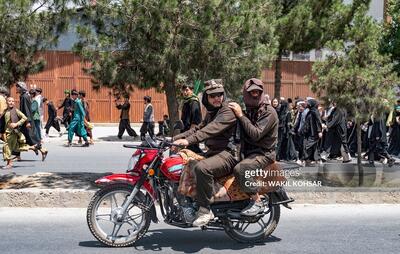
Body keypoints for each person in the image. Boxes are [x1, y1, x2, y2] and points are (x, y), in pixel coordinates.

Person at [173, 79, 237, 226]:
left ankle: (205, 210)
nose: (217, 98)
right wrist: (176, 137)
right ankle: (191, 202)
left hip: (229, 153)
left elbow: (210, 130)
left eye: (219, 94)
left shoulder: (227, 111)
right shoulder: (211, 112)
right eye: (212, 96)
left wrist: (188, 141)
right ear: (206, 98)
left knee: (203, 168)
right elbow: (198, 128)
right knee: (187, 162)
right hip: (215, 152)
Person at [229, 78, 278, 216]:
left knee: (241, 170)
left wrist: (240, 115)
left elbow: (256, 134)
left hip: (263, 154)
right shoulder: (251, 110)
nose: (254, 95)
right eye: (251, 92)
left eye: (257, 92)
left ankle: (257, 201)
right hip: (249, 152)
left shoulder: (268, 112)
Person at [2, 97, 38, 169]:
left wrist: (17, 124)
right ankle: (32, 147)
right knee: (16, 148)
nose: (11, 102)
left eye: (13, 101)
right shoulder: (5, 111)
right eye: (9, 101)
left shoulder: (15, 110)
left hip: (13, 132)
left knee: (6, 147)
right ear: (7, 102)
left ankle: (9, 164)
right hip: (7, 132)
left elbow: (24, 117)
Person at [15, 82, 47, 161]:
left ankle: (42, 150)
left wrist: (28, 122)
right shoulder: (24, 96)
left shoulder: (24, 97)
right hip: (25, 121)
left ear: (21, 88)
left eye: (18, 87)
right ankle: (18, 156)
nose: (16, 88)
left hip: (26, 122)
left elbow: (26, 110)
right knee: (22, 138)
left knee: (28, 138)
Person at [180, 84, 202, 153]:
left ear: (192, 90)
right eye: (183, 90)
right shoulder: (185, 101)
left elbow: (196, 120)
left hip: (190, 132)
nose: (185, 92)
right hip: (185, 131)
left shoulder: (194, 101)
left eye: (187, 90)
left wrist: (190, 134)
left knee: (192, 151)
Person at [301, 98, 323, 166]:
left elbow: (318, 121)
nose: (307, 104)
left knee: (307, 145)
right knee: (314, 146)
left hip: (314, 133)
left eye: (308, 103)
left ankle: (305, 159)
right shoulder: (310, 111)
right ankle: (316, 160)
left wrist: (319, 131)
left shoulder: (315, 111)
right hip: (309, 132)